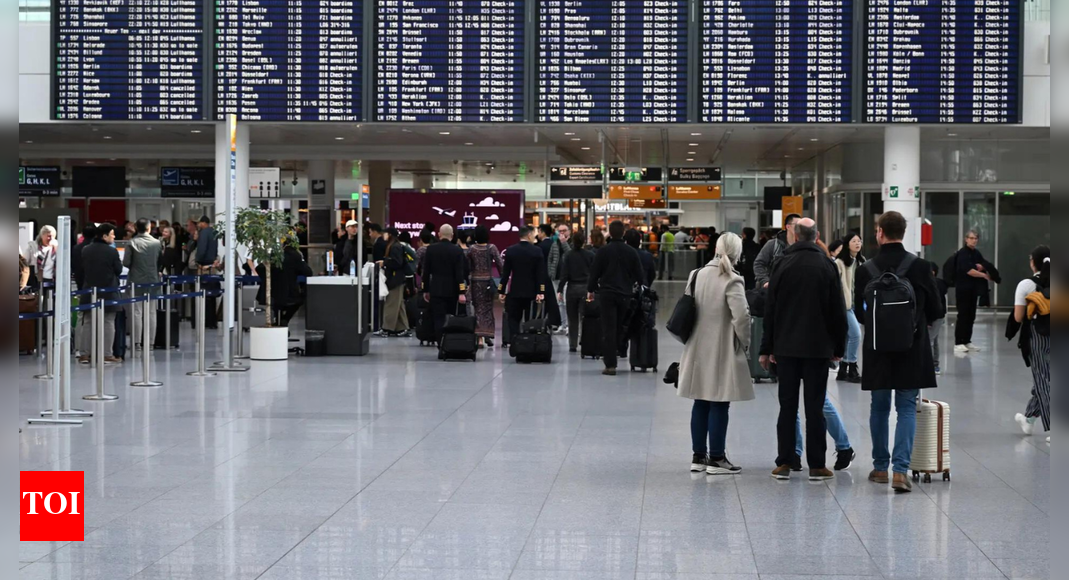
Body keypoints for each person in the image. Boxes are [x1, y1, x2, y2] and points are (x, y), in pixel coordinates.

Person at [853, 211, 943, 493]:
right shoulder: (920, 266)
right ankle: (900, 472)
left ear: (880, 232)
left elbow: (859, 313)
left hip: (878, 348)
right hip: (911, 347)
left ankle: (880, 467)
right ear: (904, 233)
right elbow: (937, 310)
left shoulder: (865, 269)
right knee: (906, 408)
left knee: (879, 408)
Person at [761, 218, 846, 481]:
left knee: (787, 406)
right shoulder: (827, 265)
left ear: (795, 236)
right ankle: (817, 465)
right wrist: (838, 346)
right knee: (815, 407)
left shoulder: (781, 264)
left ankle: (785, 461)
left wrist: (767, 348)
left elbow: (771, 310)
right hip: (818, 349)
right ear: (816, 235)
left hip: (785, 348)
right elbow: (837, 310)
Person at [677, 233, 752, 475]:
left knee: (700, 400)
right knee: (720, 401)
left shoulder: (696, 274)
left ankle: (698, 456)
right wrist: (745, 343)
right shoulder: (733, 279)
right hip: (722, 347)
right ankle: (717, 457)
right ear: (736, 253)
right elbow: (741, 317)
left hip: (696, 346)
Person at [587, 221, 645, 376]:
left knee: (608, 329)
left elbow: (594, 273)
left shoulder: (603, 251)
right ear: (623, 233)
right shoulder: (631, 252)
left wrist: (590, 289)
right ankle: (618, 349)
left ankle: (610, 364)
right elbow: (640, 276)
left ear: (610, 233)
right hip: (625, 294)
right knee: (620, 326)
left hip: (607, 294)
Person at [1012, 246, 1051, 442]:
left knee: (1043, 378)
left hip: (1038, 335)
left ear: (1033, 262)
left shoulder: (1026, 284)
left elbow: (1018, 317)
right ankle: (1029, 418)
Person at [82, 223, 124, 364]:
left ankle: (85, 353)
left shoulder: (85, 250)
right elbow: (118, 270)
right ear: (104, 236)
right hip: (108, 291)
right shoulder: (111, 251)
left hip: (89, 289)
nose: (114, 236)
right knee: (108, 322)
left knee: (88, 322)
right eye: (112, 234)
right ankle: (107, 353)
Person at [499, 226, 546, 347]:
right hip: (532, 292)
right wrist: (541, 291)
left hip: (515, 290)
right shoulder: (537, 251)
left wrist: (501, 290)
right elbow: (541, 273)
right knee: (530, 319)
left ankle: (515, 342)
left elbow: (506, 273)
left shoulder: (511, 250)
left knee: (513, 319)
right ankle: (529, 343)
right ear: (529, 235)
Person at [421, 225, 468, 342]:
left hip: (435, 289)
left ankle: (439, 343)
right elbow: (459, 274)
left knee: (438, 318)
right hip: (452, 290)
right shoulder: (457, 250)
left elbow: (425, 272)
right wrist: (461, 292)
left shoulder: (431, 249)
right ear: (452, 236)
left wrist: (425, 289)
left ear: (439, 234)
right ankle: (448, 343)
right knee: (449, 318)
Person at [124, 218, 163, 350]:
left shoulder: (132, 243)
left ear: (136, 228)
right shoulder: (157, 243)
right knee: (152, 312)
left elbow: (126, 263)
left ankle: (136, 342)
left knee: (136, 312)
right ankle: (151, 342)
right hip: (153, 280)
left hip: (136, 281)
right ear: (149, 228)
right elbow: (160, 262)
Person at [949, 230, 991, 353]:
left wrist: (983, 268)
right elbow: (968, 271)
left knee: (971, 315)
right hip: (963, 289)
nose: (974, 240)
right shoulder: (962, 253)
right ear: (966, 239)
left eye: (976, 238)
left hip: (973, 289)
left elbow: (983, 264)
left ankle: (967, 340)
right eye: (971, 238)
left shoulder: (976, 253)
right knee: (962, 315)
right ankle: (958, 342)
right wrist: (983, 275)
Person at [255, 243, 313, 329]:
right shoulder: (296, 256)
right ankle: (284, 319)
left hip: (271, 293)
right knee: (300, 300)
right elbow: (308, 272)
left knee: (277, 303)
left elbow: (259, 268)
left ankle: (278, 320)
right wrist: (302, 261)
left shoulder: (274, 255)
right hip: (289, 294)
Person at [834, 233, 865, 383]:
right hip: (844, 305)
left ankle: (843, 369)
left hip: (856, 304)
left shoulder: (861, 262)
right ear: (847, 244)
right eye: (854, 241)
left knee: (849, 337)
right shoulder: (839, 262)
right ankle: (851, 366)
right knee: (856, 335)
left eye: (859, 241)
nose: (858, 243)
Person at [558, 230, 595, 353]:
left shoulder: (568, 256)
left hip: (572, 288)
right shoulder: (590, 255)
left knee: (572, 317)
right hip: (585, 288)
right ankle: (585, 341)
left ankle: (572, 344)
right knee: (584, 317)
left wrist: (559, 290)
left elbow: (564, 275)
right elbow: (594, 274)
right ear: (584, 241)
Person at [467, 225, 503, 348]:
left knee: (477, 308)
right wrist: (503, 282)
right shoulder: (492, 248)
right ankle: (487, 335)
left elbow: (467, 266)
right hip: (487, 282)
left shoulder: (472, 249)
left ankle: (479, 337)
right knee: (487, 309)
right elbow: (500, 264)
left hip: (475, 282)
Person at [753, 213, 801, 289]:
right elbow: (758, 263)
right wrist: (765, 281)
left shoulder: (802, 245)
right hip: (775, 288)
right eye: (796, 225)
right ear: (788, 226)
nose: (799, 228)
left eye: (801, 225)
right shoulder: (773, 244)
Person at [194, 216, 219, 329]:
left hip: (204, 267)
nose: (198, 225)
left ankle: (203, 321)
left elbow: (202, 249)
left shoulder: (204, 233)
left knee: (203, 296)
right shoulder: (214, 232)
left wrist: (198, 261)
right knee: (211, 296)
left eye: (199, 222)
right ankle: (212, 321)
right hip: (212, 266)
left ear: (203, 223)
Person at [548, 224, 571, 334]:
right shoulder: (554, 244)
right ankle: (563, 324)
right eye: (559, 231)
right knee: (560, 302)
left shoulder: (571, 243)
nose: (561, 233)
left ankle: (569, 326)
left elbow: (570, 255)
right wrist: (550, 272)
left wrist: (564, 243)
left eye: (564, 231)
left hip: (567, 278)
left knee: (566, 302)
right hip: (556, 276)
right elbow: (550, 258)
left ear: (568, 232)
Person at [930, 262, 949, 375]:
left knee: (930, 341)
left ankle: (932, 365)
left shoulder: (929, 283)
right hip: (939, 315)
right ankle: (935, 364)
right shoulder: (941, 283)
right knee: (934, 340)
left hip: (933, 316)